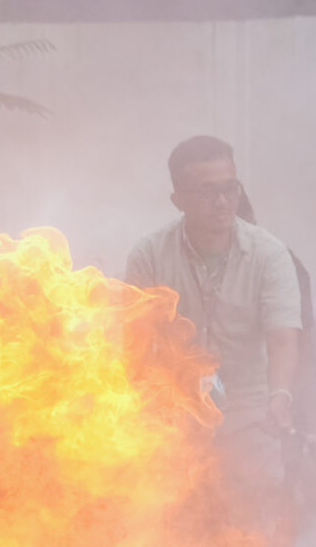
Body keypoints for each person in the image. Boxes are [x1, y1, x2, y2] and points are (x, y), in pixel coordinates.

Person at [124, 135, 304, 518]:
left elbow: (283, 338)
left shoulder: (269, 255)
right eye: (207, 192)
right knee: (172, 535)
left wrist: (281, 397)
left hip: (251, 420)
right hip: (174, 421)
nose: (222, 202)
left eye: (230, 188)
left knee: (250, 533)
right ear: (178, 199)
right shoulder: (150, 254)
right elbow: (136, 343)